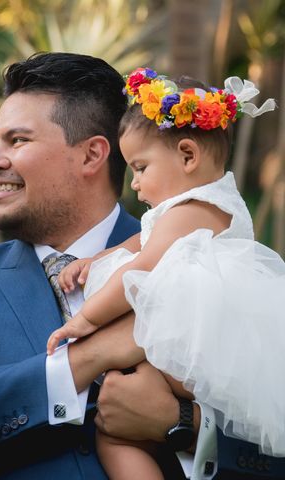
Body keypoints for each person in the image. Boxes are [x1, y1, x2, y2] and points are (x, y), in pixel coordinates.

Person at [0, 52, 285, 480]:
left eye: (18, 140)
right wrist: (88, 359)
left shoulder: (214, 263)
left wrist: (183, 425)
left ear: (92, 155)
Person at [45, 67, 284, 479]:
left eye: (140, 167)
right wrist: (96, 260)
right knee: (118, 431)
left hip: (197, 351)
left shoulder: (192, 209)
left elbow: (139, 267)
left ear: (188, 155)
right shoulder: (189, 210)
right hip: (192, 348)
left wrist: (84, 321)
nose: (134, 184)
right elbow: (137, 244)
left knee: (116, 432)